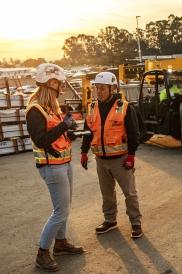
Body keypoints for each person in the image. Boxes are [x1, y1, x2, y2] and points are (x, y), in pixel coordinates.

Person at [26, 63, 84, 272]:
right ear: (51, 83)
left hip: (63, 163)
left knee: (65, 207)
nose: (61, 88)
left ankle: (60, 243)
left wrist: (69, 132)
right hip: (51, 167)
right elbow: (41, 140)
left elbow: (57, 135)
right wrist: (63, 125)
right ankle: (42, 253)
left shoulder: (51, 107)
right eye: (59, 84)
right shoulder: (35, 109)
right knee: (60, 211)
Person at [80, 72, 143, 238]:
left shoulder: (124, 107)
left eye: (102, 88)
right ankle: (110, 220)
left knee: (129, 193)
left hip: (121, 160)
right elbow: (88, 132)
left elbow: (134, 133)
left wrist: (131, 156)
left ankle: (136, 223)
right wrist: (83, 152)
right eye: (97, 88)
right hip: (101, 160)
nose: (98, 91)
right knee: (106, 193)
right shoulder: (92, 108)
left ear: (112, 88)